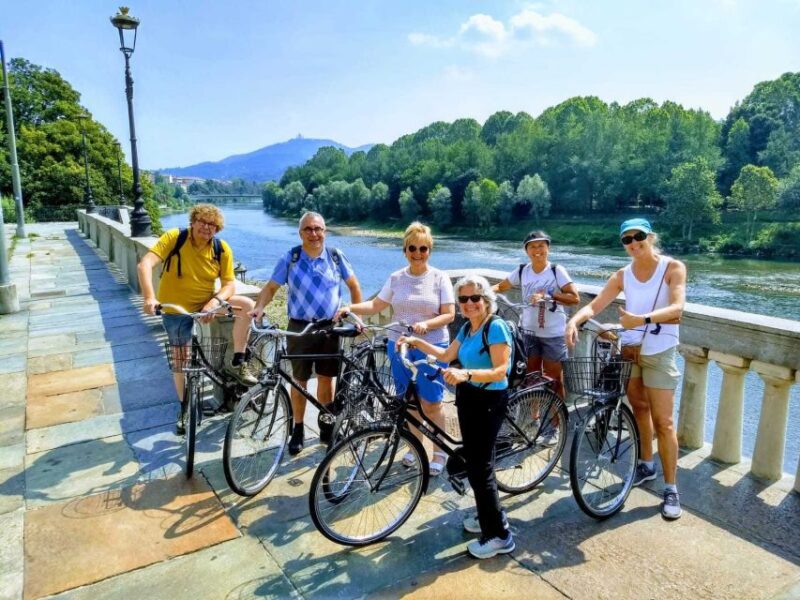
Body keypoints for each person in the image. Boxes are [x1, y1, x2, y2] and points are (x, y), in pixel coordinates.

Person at [565, 218, 686, 520]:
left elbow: (678, 309)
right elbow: (595, 305)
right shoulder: (623, 274)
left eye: (639, 236)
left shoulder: (672, 268)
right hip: (630, 350)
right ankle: (646, 464)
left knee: (665, 422)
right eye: (627, 239)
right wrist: (573, 321)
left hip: (659, 352)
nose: (633, 243)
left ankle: (671, 488)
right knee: (639, 409)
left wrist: (641, 319)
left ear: (650, 236)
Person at [398, 275, 514, 559]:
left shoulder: (495, 327)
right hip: (469, 397)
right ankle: (489, 515)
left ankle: (499, 535)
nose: (469, 303)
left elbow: (501, 371)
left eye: (475, 298)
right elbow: (446, 355)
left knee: (480, 466)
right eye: (463, 299)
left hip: (489, 400)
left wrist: (467, 373)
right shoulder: (466, 328)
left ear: (486, 300)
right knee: (475, 461)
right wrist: (417, 342)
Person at [337, 222, 455, 476]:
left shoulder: (439, 278)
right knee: (409, 402)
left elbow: (449, 315)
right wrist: (350, 308)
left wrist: (426, 323)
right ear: (405, 250)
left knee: (432, 402)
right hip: (399, 346)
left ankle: (439, 452)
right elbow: (376, 306)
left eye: (423, 248)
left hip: (431, 346)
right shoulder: (396, 278)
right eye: (412, 248)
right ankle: (415, 448)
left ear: (429, 250)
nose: (418, 253)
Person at [137, 204, 256, 435]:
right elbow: (145, 264)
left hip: (205, 307)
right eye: (202, 221)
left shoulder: (221, 249)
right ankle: (183, 407)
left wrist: (215, 302)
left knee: (247, 307)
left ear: (217, 229)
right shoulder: (175, 237)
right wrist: (150, 298)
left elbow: (229, 283)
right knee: (180, 361)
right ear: (193, 221)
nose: (206, 227)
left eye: (212, 225)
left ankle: (237, 362)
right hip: (175, 309)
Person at [250, 211, 362, 455]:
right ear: (300, 233)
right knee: (299, 381)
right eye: (308, 229)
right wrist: (259, 307)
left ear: (325, 232)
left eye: (318, 229)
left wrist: (355, 314)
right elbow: (270, 288)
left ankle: (325, 424)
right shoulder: (291, 257)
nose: (314, 234)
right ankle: (298, 429)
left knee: (325, 379)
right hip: (299, 327)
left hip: (330, 328)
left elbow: (354, 286)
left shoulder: (335, 256)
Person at [492, 230, 579, 399]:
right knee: (530, 378)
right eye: (532, 246)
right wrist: (485, 291)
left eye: (541, 245)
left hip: (553, 335)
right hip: (529, 333)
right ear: (526, 251)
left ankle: (557, 422)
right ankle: (534, 418)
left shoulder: (556, 270)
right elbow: (502, 286)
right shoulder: (522, 270)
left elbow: (574, 298)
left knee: (554, 381)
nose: (537, 249)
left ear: (548, 248)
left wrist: (549, 295)